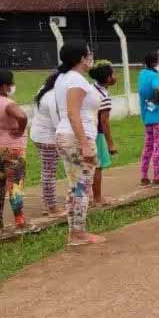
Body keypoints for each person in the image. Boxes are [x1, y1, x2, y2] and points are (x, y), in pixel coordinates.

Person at [53, 41, 104, 245]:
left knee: (75, 186)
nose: (91, 57)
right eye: (89, 54)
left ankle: (75, 231)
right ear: (82, 58)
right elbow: (73, 113)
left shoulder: (64, 78)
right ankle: (78, 233)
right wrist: (84, 143)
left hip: (67, 136)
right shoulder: (76, 80)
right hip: (76, 137)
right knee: (82, 186)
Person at [0, 70, 28, 230]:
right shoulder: (6, 103)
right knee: (15, 185)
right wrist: (20, 130)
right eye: (10, 84)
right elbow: (22, 116)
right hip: (13, 148)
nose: (12, 87)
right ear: (4, 86)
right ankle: (19, 220)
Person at [31, 72, 62, 216]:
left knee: (47, 171)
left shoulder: (44, 90)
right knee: (49, 173)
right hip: (48, 138)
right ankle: (51, 208)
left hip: (39, 135)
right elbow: (57, 123)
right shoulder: (53, 96)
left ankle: (47, 204)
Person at [138, 51, 159, 186]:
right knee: (158, 146)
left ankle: (144, 176)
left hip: (148, 114)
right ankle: (157, 176)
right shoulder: (154, 75)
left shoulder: (142, 74)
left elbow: (148, 89)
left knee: (148, 146)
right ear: (154, 63)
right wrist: (156, 101)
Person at [89, 61, 118, 202]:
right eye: (113, 74)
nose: (115, 76)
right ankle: (97, 198)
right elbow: (104, 122)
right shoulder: (104, 96)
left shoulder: (91, 88)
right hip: (96, 134)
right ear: (108, 78)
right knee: (97, 166)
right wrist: (111, 144)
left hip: (86, 131)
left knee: (86, 166)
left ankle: (86, 197)